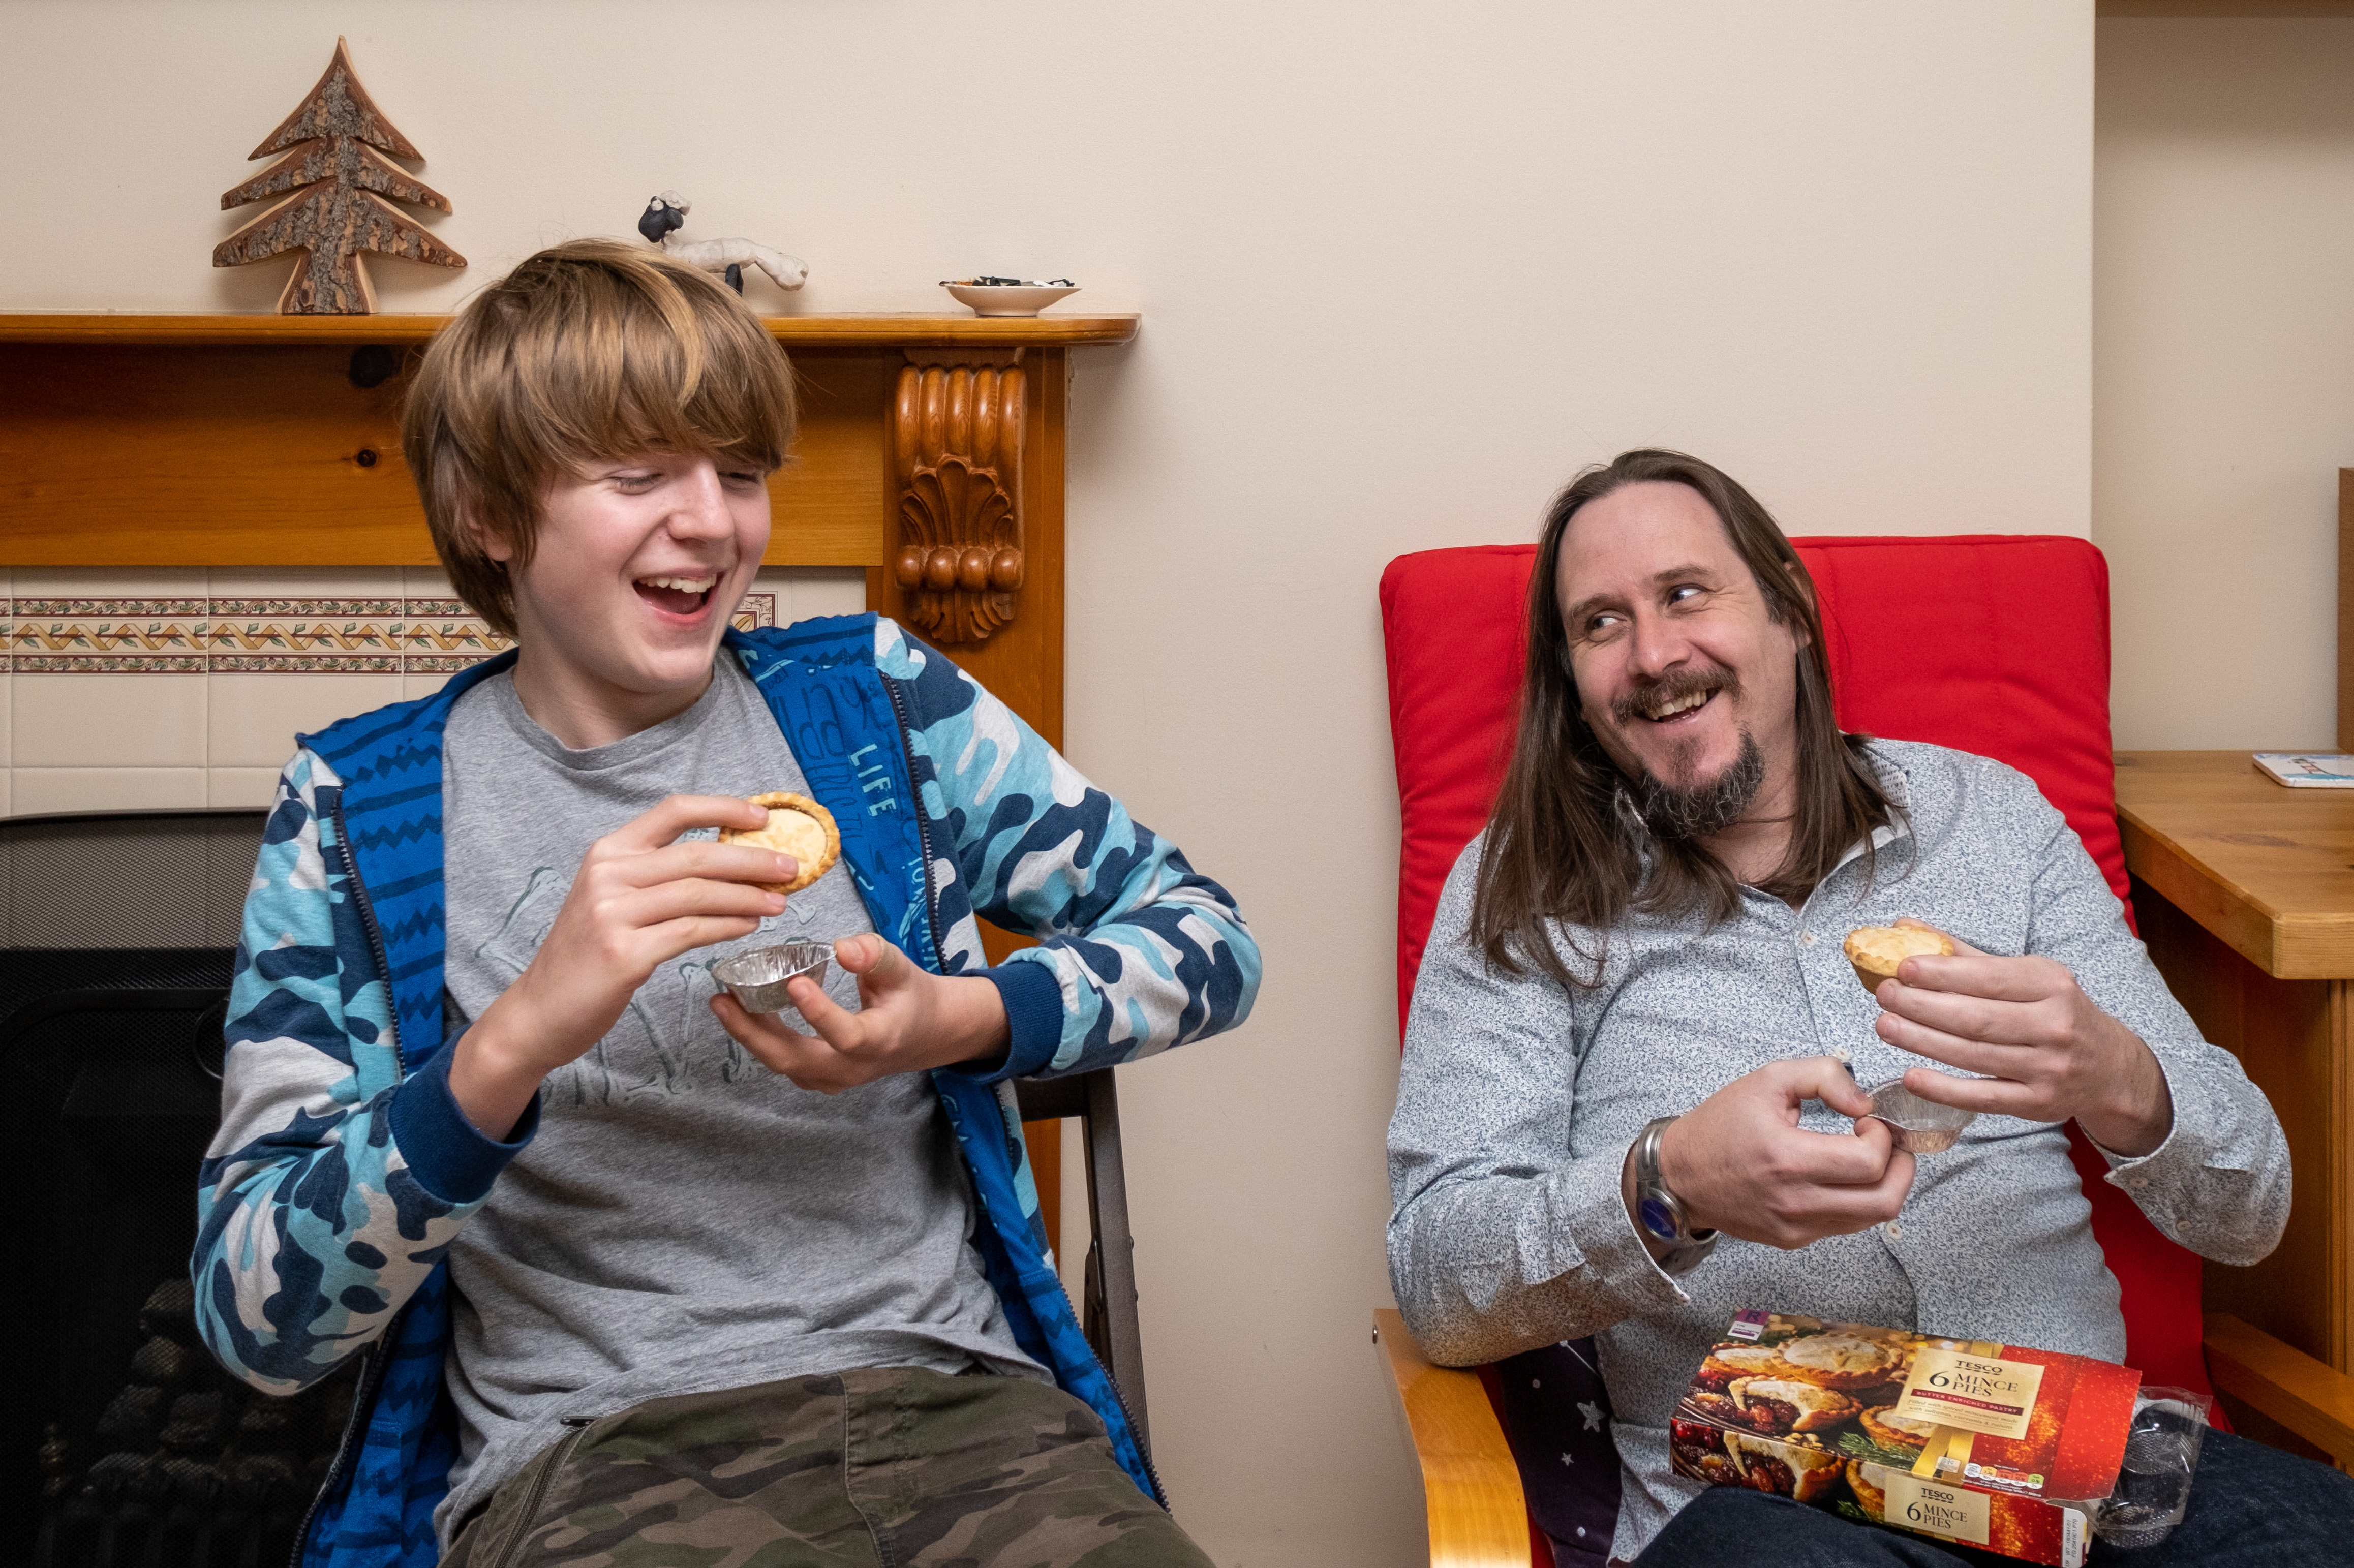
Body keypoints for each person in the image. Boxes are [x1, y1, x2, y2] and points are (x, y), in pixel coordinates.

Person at [193, 239, 1259, 1568]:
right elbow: (256, 1315)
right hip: (602, 1459)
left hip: (968, 1420)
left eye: (741, 471)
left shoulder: (871, 702)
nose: (715, 521)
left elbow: (1210, 938)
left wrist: (953, 1016)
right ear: (491, 516)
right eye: (641, 474)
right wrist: (511, 1040)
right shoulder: (363, 806)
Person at [1385, 449, 2347, 1564]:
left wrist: (2118, 1076)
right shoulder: (1524, 888)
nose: (1654, 654)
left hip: (2089, 1475)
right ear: (1575, 683)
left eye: (1688, 593)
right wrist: (1671, 1181)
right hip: (1776, 1505)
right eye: (1601, 624)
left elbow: (2251, 1209)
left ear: (1791, 611)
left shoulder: (1994, 821)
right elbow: (1439, 1281)